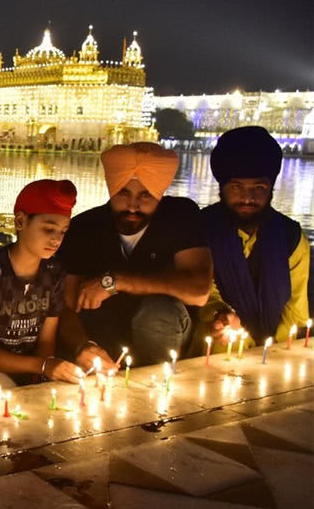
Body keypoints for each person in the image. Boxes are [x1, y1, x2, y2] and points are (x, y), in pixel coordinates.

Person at [58, 142, 213, 367]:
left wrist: (115, 282)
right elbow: (66, 307)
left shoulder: (180, 216)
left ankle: (155, 383)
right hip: (104, 341)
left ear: (160, 195)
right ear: (111, 189)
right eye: (123, 193)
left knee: (158, 311)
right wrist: (81, 346)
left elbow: (199, 290)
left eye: (146, 195)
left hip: (166, 336)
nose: (133, 205)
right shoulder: (84, 227)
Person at [0, 180, 83, 387]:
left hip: (34, 366)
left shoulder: (54, 272)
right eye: (48, 229)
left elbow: (46, 341)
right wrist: (44, 366)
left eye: (62, 231)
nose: (56, 240)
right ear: (20, 221)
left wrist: (43, 374)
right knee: (2, 385)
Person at [200, 126, 309, 348]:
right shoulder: (199, 229)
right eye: (237, 186)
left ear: (271, 189)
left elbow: (295, 312)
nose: (247, 197)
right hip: (216, 345)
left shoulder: (292, 237)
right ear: (221, 188)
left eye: (258, 187)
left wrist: (273, 356)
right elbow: (204, 294)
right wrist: (223, 316)